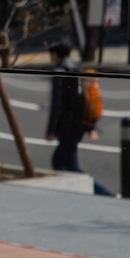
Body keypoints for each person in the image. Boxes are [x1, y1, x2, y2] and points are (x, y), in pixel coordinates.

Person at [45, 41, 113, 196]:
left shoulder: (59, 71)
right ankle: (81, 193)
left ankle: (103, 193)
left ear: (55, 55)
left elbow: (57, 103)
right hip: (79, 124)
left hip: (67, 125)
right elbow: (84, 99)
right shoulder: (77, 67)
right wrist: (89, 127)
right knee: (63, 163)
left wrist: (50, 130)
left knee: (66, 165)